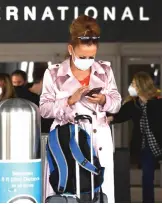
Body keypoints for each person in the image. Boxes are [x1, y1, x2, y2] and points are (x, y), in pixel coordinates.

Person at [40, 15, 121, 203]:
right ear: (71, 49)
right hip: (67, 139)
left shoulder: (105, 71)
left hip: (98, 138)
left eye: (91, 56)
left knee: (99, 191)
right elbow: (44, 109)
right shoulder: (54, 73)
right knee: (66, 186)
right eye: (82, 56)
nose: (87, 60)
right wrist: (69, 100)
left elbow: (116, 103)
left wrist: (103, 100)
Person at [107, 72, 162, 203]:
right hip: (145, 147)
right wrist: (109, 118)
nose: (131, 87)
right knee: (147, 177)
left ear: (141, 86)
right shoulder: (133, 105)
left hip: (159, 143)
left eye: (133, 84)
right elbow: (119, 116)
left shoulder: (158, 103)